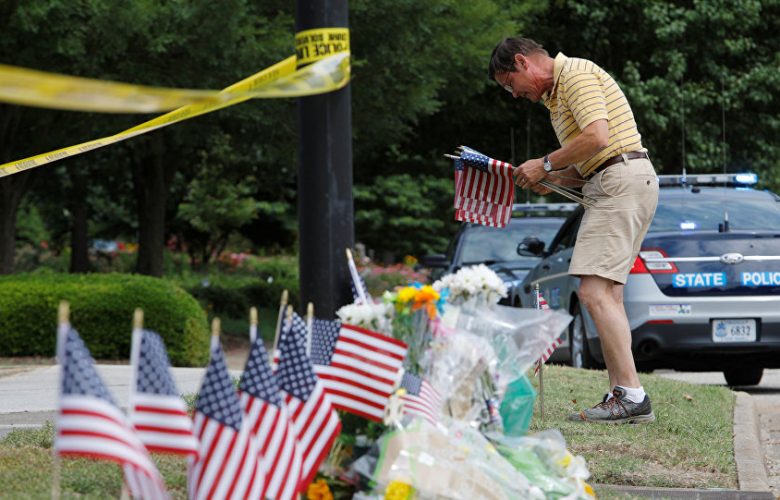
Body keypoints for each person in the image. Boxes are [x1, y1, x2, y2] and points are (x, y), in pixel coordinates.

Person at [488, 37, 659, 424]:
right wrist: (552, 178)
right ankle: (623, 394)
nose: (514, 94)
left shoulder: (575, 75)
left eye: (510, 84)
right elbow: (590, 160)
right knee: (609, 295)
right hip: (619, 180)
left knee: (593, 292)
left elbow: (597, 137)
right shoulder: (556, 97)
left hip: (619, 183)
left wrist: (545, 164)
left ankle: (632, 395)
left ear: (522, 62)